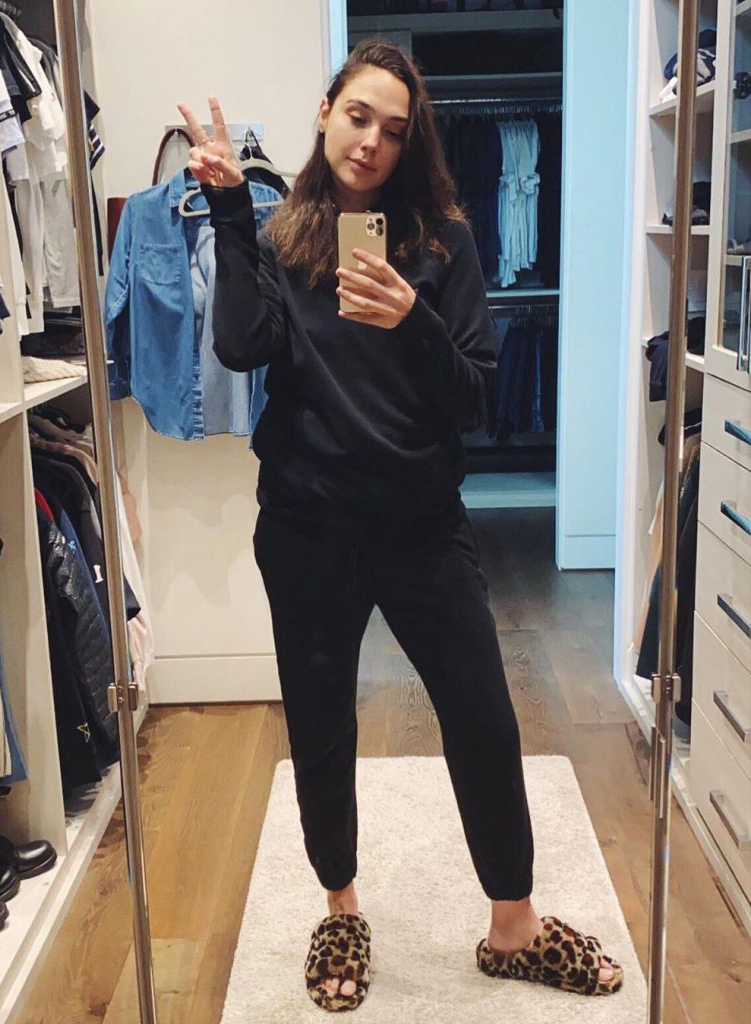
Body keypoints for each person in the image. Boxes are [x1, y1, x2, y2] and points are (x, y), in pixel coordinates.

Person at [179, 39, 623, 1013]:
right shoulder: (283, 234)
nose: (371, 140)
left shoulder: (444, 241)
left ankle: (513, 924)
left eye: (392, 126)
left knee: (482, 714)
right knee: (321, 721)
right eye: (357, 115)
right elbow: (242, 346)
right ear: (325, 114)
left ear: (410, 138)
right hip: (306, 528)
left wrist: (412, 319)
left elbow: (474, 397)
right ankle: (340, 904)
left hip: (422, 527)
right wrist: (229, 212)